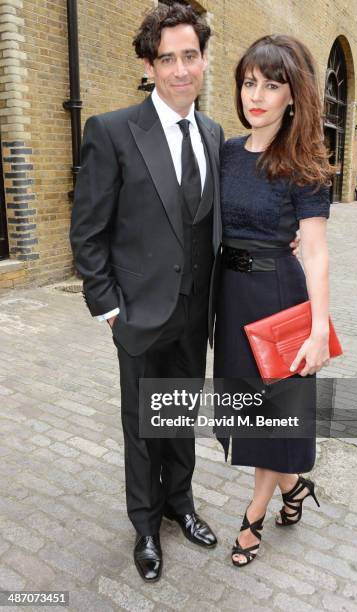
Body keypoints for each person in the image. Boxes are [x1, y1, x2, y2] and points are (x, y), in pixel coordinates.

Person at [69, 3, 223, 583]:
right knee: (142, 424)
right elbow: (88, 232)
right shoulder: (111, 131)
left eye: (190, 55)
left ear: (204, 58)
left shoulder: (212, 132)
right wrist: (108, 308)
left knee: (180, 415)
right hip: (137, 314)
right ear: (149, 64)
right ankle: (144, 523)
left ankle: (181, 504)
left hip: (194, 313)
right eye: (168, 59)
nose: (181, 69)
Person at [213, 34, 334, 567]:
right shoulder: (226, 153)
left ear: (292, 95)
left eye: (270, 85)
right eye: (248, 83)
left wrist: (317, 330)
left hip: (280, 298)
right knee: (249, 413)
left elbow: (316, 251)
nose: (255, 95)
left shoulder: (303, 162)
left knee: (272, 418)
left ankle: (252, 518)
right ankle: (295, 487)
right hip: (231, 297)